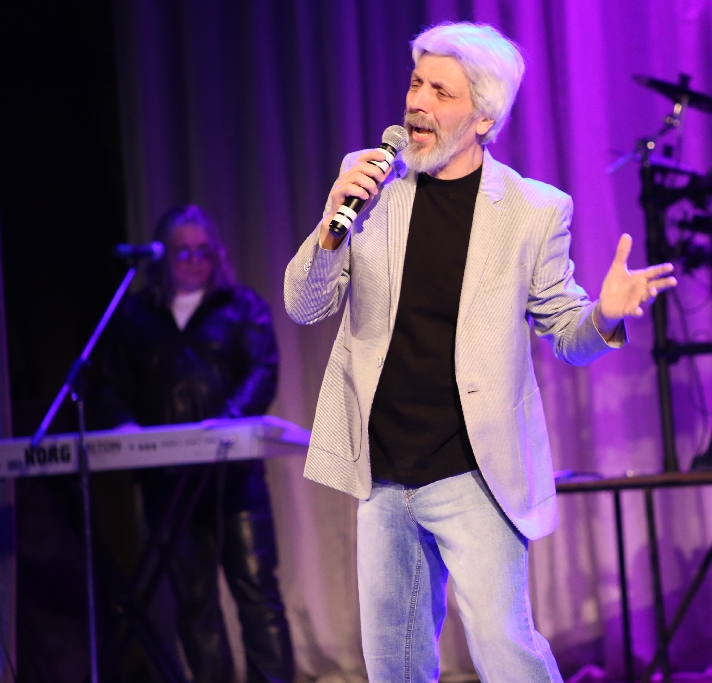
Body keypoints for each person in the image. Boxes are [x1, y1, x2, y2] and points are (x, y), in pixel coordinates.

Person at [284, 22, 676, 682]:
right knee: (393, 667)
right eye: (416, 83)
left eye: (441, 92)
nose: (417, 102)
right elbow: (304, 305)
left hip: (474, 473)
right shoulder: (373, 186)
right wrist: (333, 219)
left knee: (506, 653)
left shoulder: (532, 210)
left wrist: (605, 314)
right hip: (382, 474)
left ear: (484, 118)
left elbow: (568, 335)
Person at [93, 205, 295, 683]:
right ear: (163, 257)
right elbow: (108, 383)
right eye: (182, 252)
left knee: (257, 592)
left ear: (216, 254)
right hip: (166, 483)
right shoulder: (135, 316)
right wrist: (124, 425)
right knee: (194, 600)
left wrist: (226, 422)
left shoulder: (241, 306)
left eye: (202, 251)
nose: (193, 260)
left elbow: (262, 370)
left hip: (234, 480)